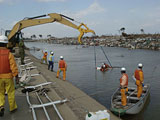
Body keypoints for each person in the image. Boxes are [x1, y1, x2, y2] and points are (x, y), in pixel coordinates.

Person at [0, 35, 19, 117]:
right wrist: (16, 76)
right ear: (6, 44)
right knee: (10, 92)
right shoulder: (9, 54)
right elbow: (13, 66)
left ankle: (1, 106)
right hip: (8, 77)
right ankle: (12, 107)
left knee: (0, 93)